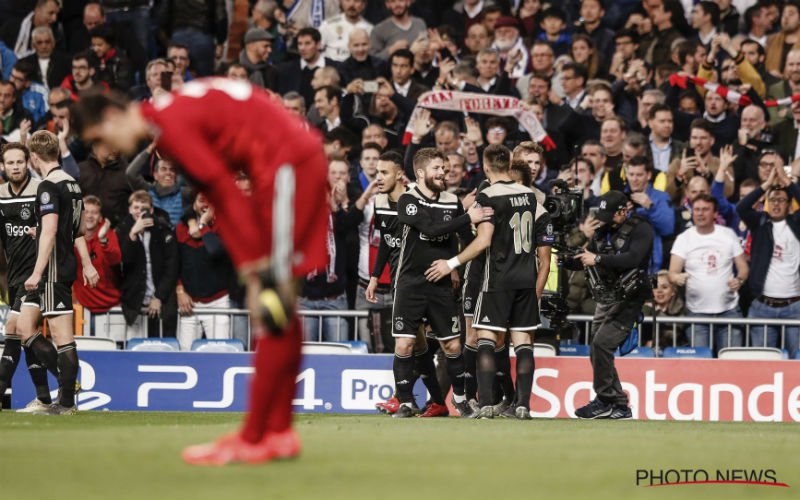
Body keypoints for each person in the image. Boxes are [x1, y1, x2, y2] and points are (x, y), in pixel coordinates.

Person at [74, 78, 330, 465]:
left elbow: (223, 190)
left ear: (113, 115)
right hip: (289, 162)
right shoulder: (174, 113)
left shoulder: (170, 127)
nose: (105, 149)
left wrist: (251, 262)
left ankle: (254, 437)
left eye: (101, 137)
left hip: (285, 167)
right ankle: (278, 433)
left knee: (271, 301)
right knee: (281, 307)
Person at [426, 145, 544, 420]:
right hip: (526, 278)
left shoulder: (489, 194)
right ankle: (522, 405)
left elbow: (483, 240)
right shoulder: (529, 194)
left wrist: (451, 263)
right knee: (523, 342)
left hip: (497, 278)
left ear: (486, 166)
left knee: (487, 339)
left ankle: (488, 404)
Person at [389, 148, 490, 418]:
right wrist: (469, 216)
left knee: (452, 346)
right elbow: (431, 229)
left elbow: (462, 239)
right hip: (410, 283)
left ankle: (460, 400)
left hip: (441, 284)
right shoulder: (408, 200)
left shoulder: (451, 201)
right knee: (404, 345)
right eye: (437, 169)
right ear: (420, 173)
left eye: (443, 169)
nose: (442, 173)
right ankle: (406, 402)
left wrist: (456, 262)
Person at [14, 130, 98, 415]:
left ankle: (66, 402)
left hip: (51, 271)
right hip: (59, 265)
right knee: (24, 328)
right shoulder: (73, 185)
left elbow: (52, 231)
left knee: (63, 338)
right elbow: (80, 229)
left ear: (34, 157)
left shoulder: (47, 186)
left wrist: (36, 272)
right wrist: (86, 263)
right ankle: (61, 389)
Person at [571, 190, 653, 419]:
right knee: (598, 348)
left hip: (630, 298)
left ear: (624, 210)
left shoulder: (641, 229)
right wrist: (572, 259)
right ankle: (615, 402)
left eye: (611, 214)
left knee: (601, 345)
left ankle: (607, 400)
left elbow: (633, 258)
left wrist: (597, 259)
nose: (605, 219)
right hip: (607, 296)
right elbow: (589, 257)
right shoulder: (604, 230)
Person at [0, 142, 56, 412]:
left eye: (19, 162)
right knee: (20, 334)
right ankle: (45, 398)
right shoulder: (0, 195)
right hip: (13, 276)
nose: (14, 167)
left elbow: (56, 227)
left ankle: (66, 378)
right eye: (9, 163)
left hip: (36, 275)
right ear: (3, 166)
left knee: (14, 330)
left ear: (28, 163)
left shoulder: (41, 191)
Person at [669, 194, 748, 353]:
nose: (700, 213)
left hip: (729, 312)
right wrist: (677, 278)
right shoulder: (684, 238)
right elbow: (672, 273)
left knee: (732, 365)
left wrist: (739, 280)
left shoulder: (728, 234)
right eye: (696, 209)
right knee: (699, 368)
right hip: (697, 315)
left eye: (705, 209)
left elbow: (743, 268)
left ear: (715, 214)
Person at [737, 157, 800, 355]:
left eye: (781, 200)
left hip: (795, 306)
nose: (776, 204)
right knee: (762, 361)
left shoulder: (797, 223)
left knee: (797, 362)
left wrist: (786, 181)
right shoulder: (760, 224)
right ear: (766, 203)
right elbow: (742, 208)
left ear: (789, 205)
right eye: (772, 200)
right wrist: (766, 185)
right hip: (762, 305)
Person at [115, 190, 179, 340]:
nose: (139, 211)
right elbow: (123, 262)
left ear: (151, 210)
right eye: (136, 207)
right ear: (130, 209)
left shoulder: (163, 229)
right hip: (134, 300)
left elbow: (172, 266)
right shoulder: (122, 230)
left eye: (144, 208)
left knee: (163, 345)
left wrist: (158, 296)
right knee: (134, 348)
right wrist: (133, 235)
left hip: (161, 300)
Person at [176, 191, 235, 351]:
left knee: (220, 353)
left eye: (210, 201)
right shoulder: (181, 228)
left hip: (218, 301)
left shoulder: (225, 226)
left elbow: (215, 250)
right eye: (202, 200)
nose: (206, 205)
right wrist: (180, 291)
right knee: (185, 353)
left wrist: (203, 225)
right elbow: (175, 264)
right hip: (189, 303)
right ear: (193, 204)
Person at [72, 195, 123, 338]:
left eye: (94, 212)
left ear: (100, 217)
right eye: (86, 212)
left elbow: (116, 260)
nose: (89, 216)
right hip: (83, 308)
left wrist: (102, 240)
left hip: (112, 307)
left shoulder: (108, 234)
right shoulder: (71, 236)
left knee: (112, 353)